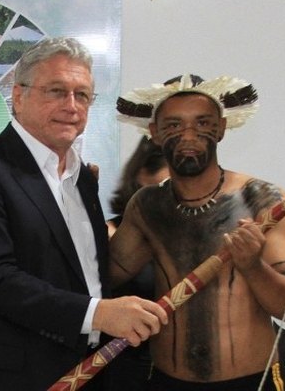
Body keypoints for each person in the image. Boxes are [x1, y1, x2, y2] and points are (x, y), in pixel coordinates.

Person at [0, 36, 167, 391]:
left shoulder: (82, 179)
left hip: (89, 371)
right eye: (56, 91)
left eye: (83, 95)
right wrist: (100, 314)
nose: (72, 106)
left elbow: (85, 274)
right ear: (18, 96)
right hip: (4, 379)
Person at [111, 74, 285, 390]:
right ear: (155, 133)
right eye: (174, 125)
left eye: (202, 123)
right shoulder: (148, 206)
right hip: (166, 381)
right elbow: (107, 276)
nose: (189, 135)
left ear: (221, 128)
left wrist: (253, 266)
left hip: (249, 381)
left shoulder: (262, 200)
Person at [104, 136, 169, 390]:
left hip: (179, 367)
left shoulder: (197, 232)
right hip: (124, 363)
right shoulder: (111, 232)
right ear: (142, 176)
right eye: (166, 183)